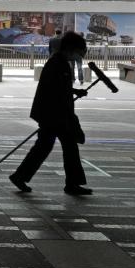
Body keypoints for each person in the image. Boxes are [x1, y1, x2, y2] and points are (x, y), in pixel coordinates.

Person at [9, 31, 92, 196]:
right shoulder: (57, 63)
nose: (79, 56)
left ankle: (20, 176)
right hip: (54, 115)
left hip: (54, 113)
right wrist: (71, 95)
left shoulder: (59, 62)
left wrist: (75, 91)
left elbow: (61, 87)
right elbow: (55, 90)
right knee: (66, 147)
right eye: (78, 51)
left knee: (47, 147)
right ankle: (71, 184)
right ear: (70, 48)